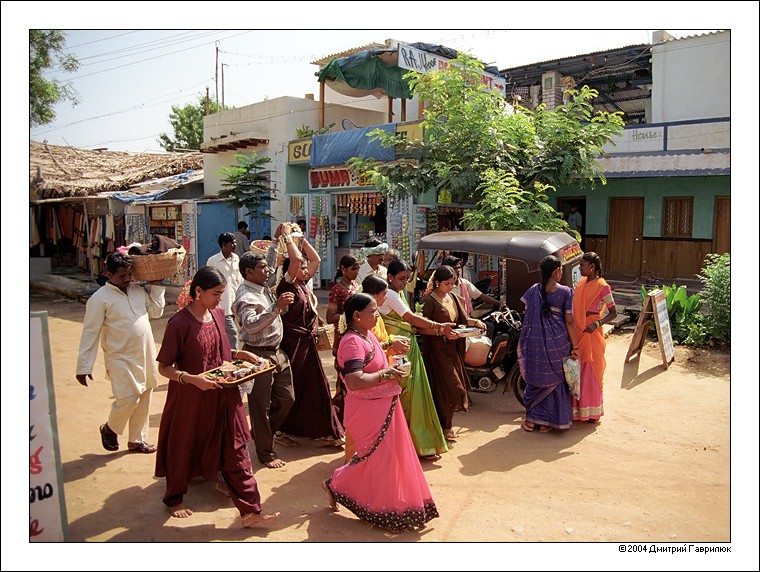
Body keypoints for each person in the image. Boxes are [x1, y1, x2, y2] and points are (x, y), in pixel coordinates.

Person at [154, 266, 279, 527]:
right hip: (191, 399)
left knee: (237, 452)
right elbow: (164, 367)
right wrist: (191, 380)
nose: (219, 299)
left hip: (224, 395)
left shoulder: (219, 314)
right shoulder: (178, 323)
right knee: (184, 446)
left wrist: (238, 355)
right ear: (197, 292)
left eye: (222, 293)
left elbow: (218, 354)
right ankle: (175, 498)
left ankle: (250, 511)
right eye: (215, 293)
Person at [322, 293, 439, 533]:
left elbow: (371, 354)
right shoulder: (352, 341)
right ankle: (341, 487)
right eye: (373, 311)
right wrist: (387, 374)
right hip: (369, 410)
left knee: (386, 460)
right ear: (357, 315)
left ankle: (388, 505)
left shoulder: (365, 335)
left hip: (384, 405)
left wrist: (389, 347)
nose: (377, 315)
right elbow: (355, 381)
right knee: (374, 461)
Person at [76, 252, 166, 454]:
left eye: (129, 275)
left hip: (145, 352)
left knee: (145, 396)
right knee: (129, 398)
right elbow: (90, 332)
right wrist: (84, 366)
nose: (127, 280)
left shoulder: (137, 291)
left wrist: (157, 286)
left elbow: (156, 312)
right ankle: (110, 428)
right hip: (120, 357)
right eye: (122, 276)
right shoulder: (100, 299)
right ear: (108, 274)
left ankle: (136, 440)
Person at [276, 224, 344, 446]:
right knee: (296, 388)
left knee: (316, 387)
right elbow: (295, 261)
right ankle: (282, 429)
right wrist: (287, 239)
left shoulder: (302, 284)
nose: (305, 270)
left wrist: (301, 240)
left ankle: (323, 429)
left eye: (305, 269)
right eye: (301, 268)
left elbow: (316, 261)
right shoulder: (285, 285)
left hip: (307, 342)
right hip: (293, 344)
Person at [379, 259, 453, 460]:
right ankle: (409, 444)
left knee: (409, 395)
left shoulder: (397, 292)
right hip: (398, 351)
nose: (404, 282)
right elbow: (410, 318)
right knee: (407, 396)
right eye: (401, 278)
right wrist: (439, 327)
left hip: (404, 348)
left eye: (407, 278)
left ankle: (410, 443)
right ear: (390, 277)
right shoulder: (391, 294)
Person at [233, 252, 296, 468]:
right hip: (257, 354)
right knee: (260, 406)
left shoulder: (261, 285)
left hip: (277, 352)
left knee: (287, 398)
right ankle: (265, 451)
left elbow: (271, 262)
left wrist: (276, 242)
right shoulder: (245, 296)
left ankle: (262, 432)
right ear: (249, 272)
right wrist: (276, 308)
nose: (268, 270)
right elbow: (250, 326)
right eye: (262, 267)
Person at [421, 265, 487, 442]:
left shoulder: (455, 298)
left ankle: (446, 426)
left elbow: (462, 322)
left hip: (453, 350)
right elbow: (421, 327)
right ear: (437, 283)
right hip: (436, 351)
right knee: (451, 388)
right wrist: (440, 331)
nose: (450, 287)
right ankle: (441, 426)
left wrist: (476, 323)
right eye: (446, 284)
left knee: (449, 389)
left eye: (452, 283)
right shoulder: (430, 302)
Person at [517, 255, 579, 433]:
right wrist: (575, 346)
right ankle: (548, 422)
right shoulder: (566, 292)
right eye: (559, 269)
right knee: (556, 382)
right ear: (556, 271)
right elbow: (569, 321)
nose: (561, 272)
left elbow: (528, 315)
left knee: (537, 378)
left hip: (535, 344)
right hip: (557, 344)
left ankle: (531, 420)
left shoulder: (533, 291)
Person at [572, 252, 617, 423]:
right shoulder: (581, 283)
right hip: (579, 330)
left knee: (592, 371)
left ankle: (593, 412)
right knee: (578, 371)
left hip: (592, 332)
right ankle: (579, 410)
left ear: (592, 267)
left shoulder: (602, 286)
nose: (580, 268)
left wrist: (597, 324)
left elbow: (613, 312)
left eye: (582, 265)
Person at [326, 254, 361, 423]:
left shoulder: (355, 286)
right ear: (343, 269)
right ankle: (339, 422)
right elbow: (330, 316)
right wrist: (350, 317)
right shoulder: (337, 289)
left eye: (357, 269)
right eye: (353, 269)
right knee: (343, 382)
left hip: (356, 337)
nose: (356, 272)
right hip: (342, 339)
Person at [425, 255, 502, 315]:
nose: (458, 271)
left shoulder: (463, 284)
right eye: (455, 268)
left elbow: (480, 296)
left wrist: (500, 304)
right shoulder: (434, 294)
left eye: (459, 268)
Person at [206, 232, 243, 350]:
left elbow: (239, 279)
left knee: (227, 332)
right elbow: (209, 281)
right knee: (232, 333)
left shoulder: (236, 259)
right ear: (224, 244)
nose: (235, 245)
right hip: (223, 304)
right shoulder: (213, 261)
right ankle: (234, 357)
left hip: (236, 301)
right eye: (232, 243)